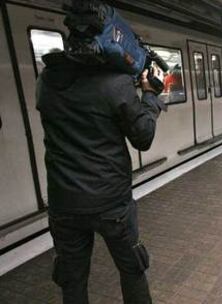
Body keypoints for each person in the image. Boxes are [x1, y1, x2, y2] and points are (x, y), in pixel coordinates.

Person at [35, 21, 166, 304]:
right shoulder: (115, 83)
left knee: (73, 280)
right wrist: (151, 95)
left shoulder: (46, 80)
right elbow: (143, 137)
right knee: (132, 271)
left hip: (64, 202)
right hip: (111, 203)